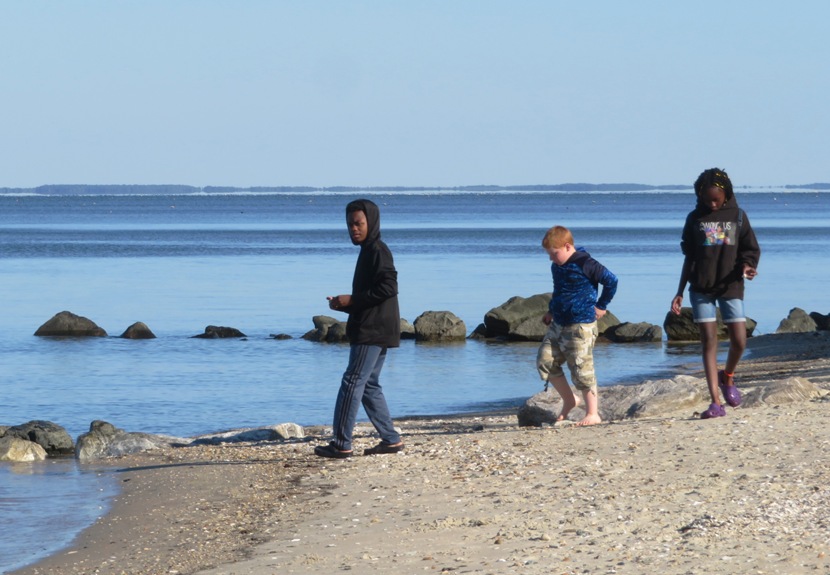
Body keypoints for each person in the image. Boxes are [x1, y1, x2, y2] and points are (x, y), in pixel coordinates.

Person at [314, 199, 405, 458]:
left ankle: (341, 443)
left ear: (371, 223)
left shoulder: (377, 250)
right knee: (369, 385)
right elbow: (372, 294)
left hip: (373, 329)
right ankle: (391, 440)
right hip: (377, 326)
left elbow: (389, 287)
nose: (354, 229)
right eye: (350, 224)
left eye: (359, 224)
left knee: (353, 381)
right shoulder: (368, 250)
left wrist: (352, 300)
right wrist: (344, 305)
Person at [670, 168, 761, 419]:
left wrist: (748, 267)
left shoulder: (738, 217)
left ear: (726, 194)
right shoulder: (694, 219)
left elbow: (750, 249)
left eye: (716, 200)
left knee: (739, 340)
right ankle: (715, 402)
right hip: (700, 288)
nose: (711, 204)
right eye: (706, 199)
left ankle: (728, 377)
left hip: (731, 286)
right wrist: (679, 292)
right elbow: (689, 257)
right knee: (709, 341)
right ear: (699, 195)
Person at [536, 225, 618, 426]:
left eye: (554, 254)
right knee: (545, 360)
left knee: (581, 367)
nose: (551, 258)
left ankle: (593, 413)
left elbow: (611, 281)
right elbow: (559, 290)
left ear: (566, 246)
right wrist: (551, 310)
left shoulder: (585, 263)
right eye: (549, 255)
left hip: (581, 324)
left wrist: (601, 306)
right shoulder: (557, 266)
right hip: (559, 322)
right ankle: (570, 400)